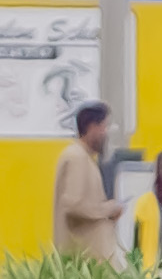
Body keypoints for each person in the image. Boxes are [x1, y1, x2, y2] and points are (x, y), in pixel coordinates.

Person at [54, 100, 127, 255]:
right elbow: (73, 205)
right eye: (104, 127)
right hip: (83, 259)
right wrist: (108, 209)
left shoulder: (84, 157)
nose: (106, 133)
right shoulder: (76, 157)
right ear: (92, 127)